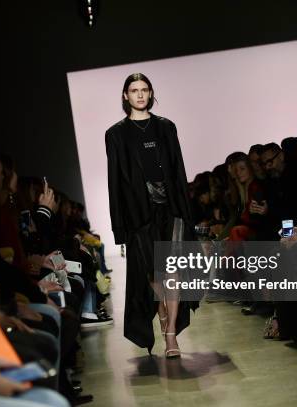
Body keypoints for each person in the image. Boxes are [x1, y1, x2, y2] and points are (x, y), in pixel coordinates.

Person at [105, 72, 197, 356]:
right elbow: (115, 182)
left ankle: (170, 336)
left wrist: (186, 210)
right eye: (134, 90)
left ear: (151, 93)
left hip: (169, 207)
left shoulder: (166, 127)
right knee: (154, 275)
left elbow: (178, 171)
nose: (140, 95)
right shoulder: (116, 134)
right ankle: (164, 318)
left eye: (145, 89)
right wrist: (119, 227)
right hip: (138, 211)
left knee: (171, 270)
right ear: (125, 96)